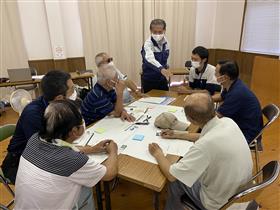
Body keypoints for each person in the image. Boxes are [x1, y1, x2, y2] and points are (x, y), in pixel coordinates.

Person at [149, 93, 253, 210]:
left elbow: (172, 176)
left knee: (175, 182)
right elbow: (207, 136)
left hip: (221, 204)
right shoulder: (227, 122)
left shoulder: (204, 146)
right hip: (243, 192)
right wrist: (179, 135)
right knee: (189, 170)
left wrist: (158, 154)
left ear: (190, 119)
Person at [14, 100, 118, 210]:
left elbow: (61, 147)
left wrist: (92, 149)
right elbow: (109, 174)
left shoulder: (35, 139)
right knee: (85, 188)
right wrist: (113, 151)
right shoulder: (73, 160)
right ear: (74, 131)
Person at [1, 70, 78, 184]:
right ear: (59, 97)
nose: (75, 91)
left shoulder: (57, 105)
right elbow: (43, 150)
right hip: (19, 165)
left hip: (43, 158)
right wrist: (83, 150)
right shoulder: (33, 114)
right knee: (72, 180)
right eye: (72, 89)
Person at [213, 60, 263, 144]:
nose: (214, 75)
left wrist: (199, 110)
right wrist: (204, 98)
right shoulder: (233, 83)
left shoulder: (237, 93)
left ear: (225, 78)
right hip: (241, 125)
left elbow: (217, 117)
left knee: (208, 133)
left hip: (246, 134)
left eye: (216, 73)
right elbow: (221, 96)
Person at [141, 19, 173, 93]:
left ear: (164, 30)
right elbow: (149, 59)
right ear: (150, 30)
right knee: (150, 102)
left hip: (162, 79)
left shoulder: (166, 42)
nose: (157, 34)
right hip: (150, 80)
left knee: (165, 100)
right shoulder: (147, 44)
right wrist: (161, 69)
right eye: (155, 32)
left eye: (160, 32)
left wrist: (165, 67)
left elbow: (165, 59)